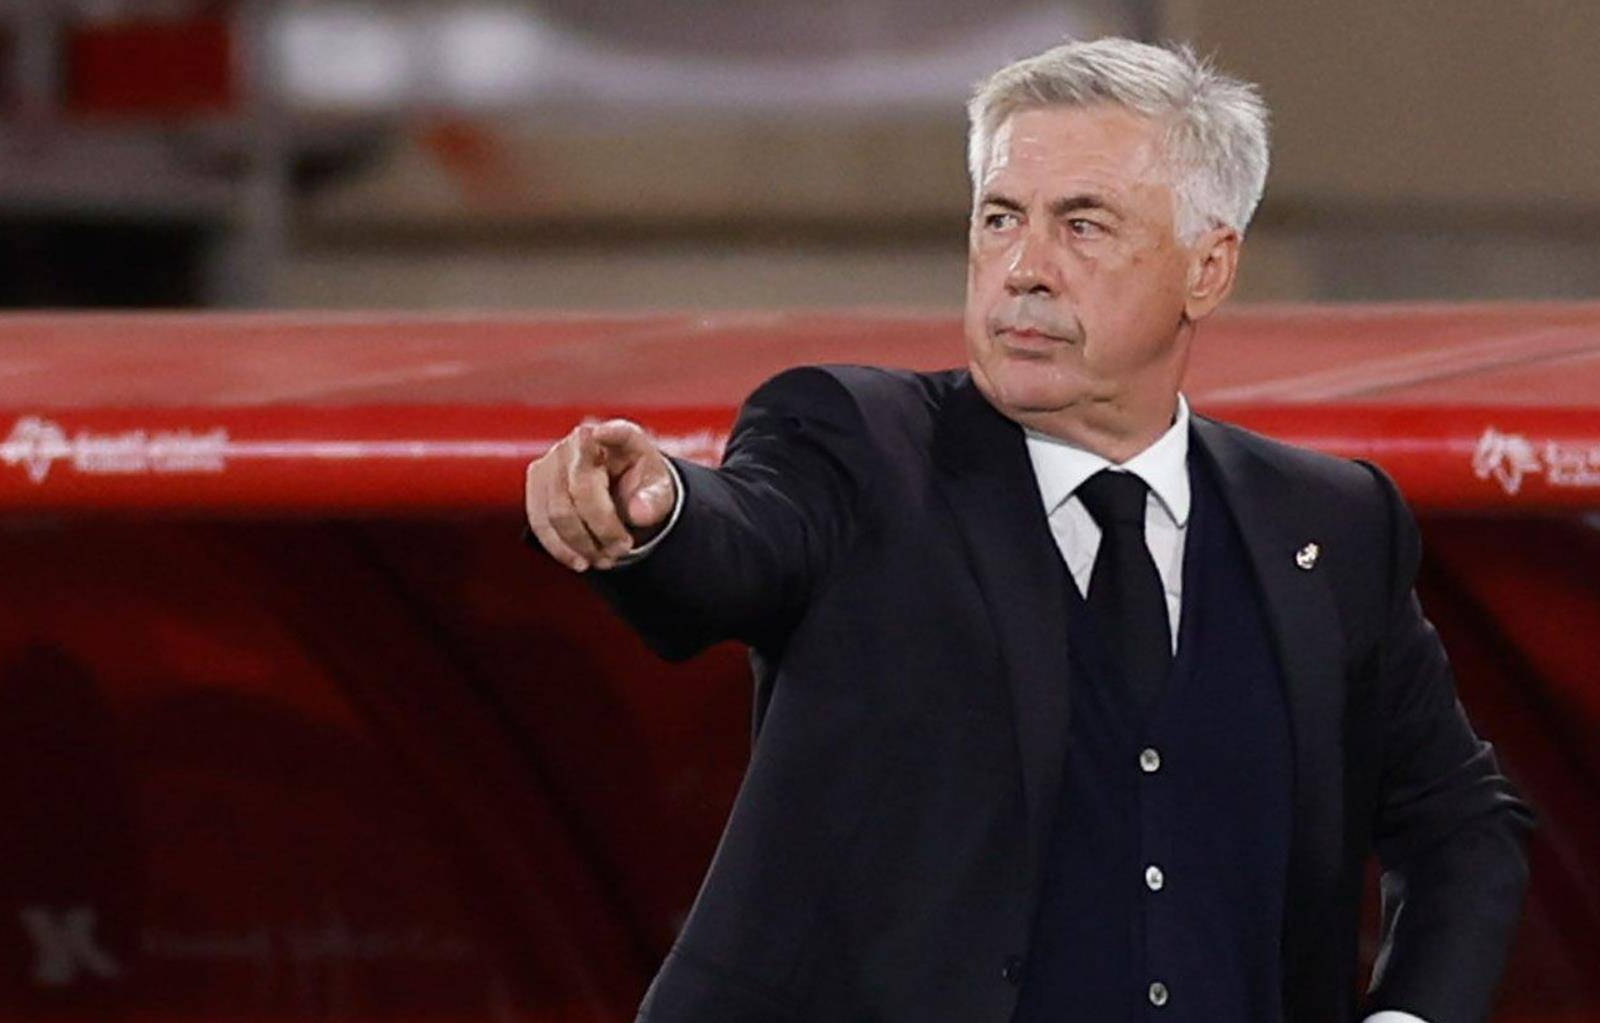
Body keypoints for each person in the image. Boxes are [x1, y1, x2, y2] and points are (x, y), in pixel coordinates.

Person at [523, 37, 1532, 1023]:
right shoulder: (855, 445)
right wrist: (658, 511)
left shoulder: (1328, 523)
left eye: (1082, 225)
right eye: (1000, 217)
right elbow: (741, 538)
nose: (1023, 268)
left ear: (1208, 267)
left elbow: (1462, 826)